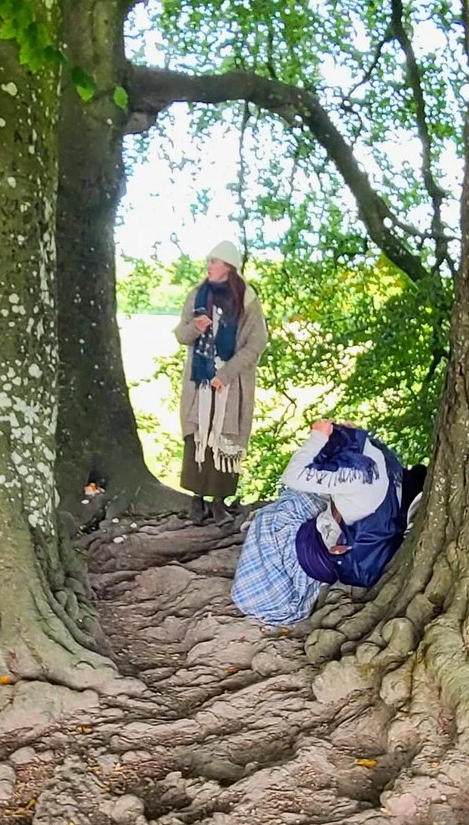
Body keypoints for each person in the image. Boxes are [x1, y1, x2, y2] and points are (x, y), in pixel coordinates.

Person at [233, 420, 408, 627]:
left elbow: (291, 476)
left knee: (268, 521)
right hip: (359, 537)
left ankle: (266, 596)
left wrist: (317, 437)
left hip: (335, 555)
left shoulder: (354, 474)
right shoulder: (374, 456)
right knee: (298, 497)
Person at [173, 240, 267, 523]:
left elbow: (256, 343)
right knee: (198, 435)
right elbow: (181, 335)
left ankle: (219, 502)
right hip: (199, 381)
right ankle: (196, 501)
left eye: (214, 261)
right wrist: (195, 327)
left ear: (228, 267)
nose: (209, 266)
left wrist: (226, 375)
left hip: (231, 384)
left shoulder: (247, 300)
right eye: (209, 261)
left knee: (225, 438)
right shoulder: (197, 296)